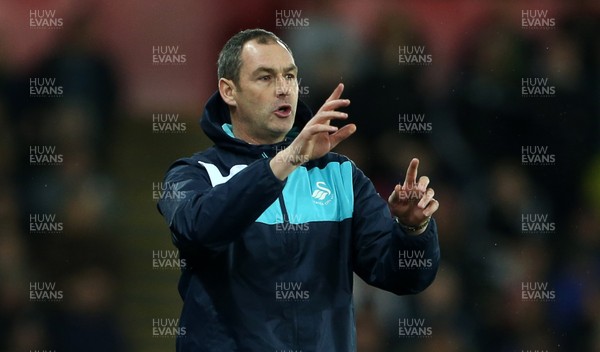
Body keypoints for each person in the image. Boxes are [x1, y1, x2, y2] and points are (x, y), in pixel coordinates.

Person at [157, 28, 440, 352]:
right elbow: (200, 230)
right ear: (229, 91)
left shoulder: (341, 177)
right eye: (265, 77)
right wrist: (288, 159)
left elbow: (403, 278)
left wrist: (413, 229)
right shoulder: (193, 174)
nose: (283, 89)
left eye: (290, 76)